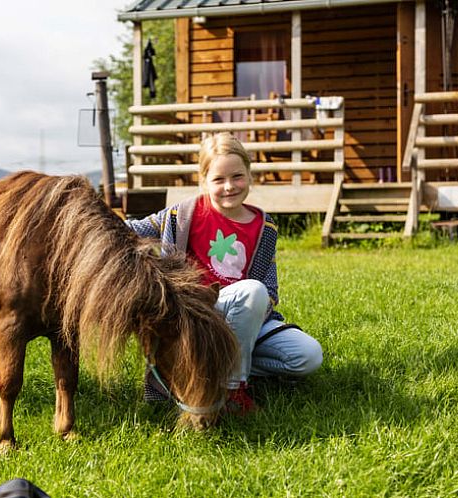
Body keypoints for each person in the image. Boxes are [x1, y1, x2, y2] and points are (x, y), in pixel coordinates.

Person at [125, 132, 323, 414]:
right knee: (252, 291)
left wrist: (249, 318)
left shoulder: (264, 227)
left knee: (307, 356)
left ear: (249, 175)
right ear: (203, 180)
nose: (229, 186)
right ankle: (233, 389)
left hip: (243, 316)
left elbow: (270, 290)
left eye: (237, 176)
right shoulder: (181, 215)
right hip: (196, 316)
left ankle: (216, 365)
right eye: (218, 179)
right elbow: (130, 230)